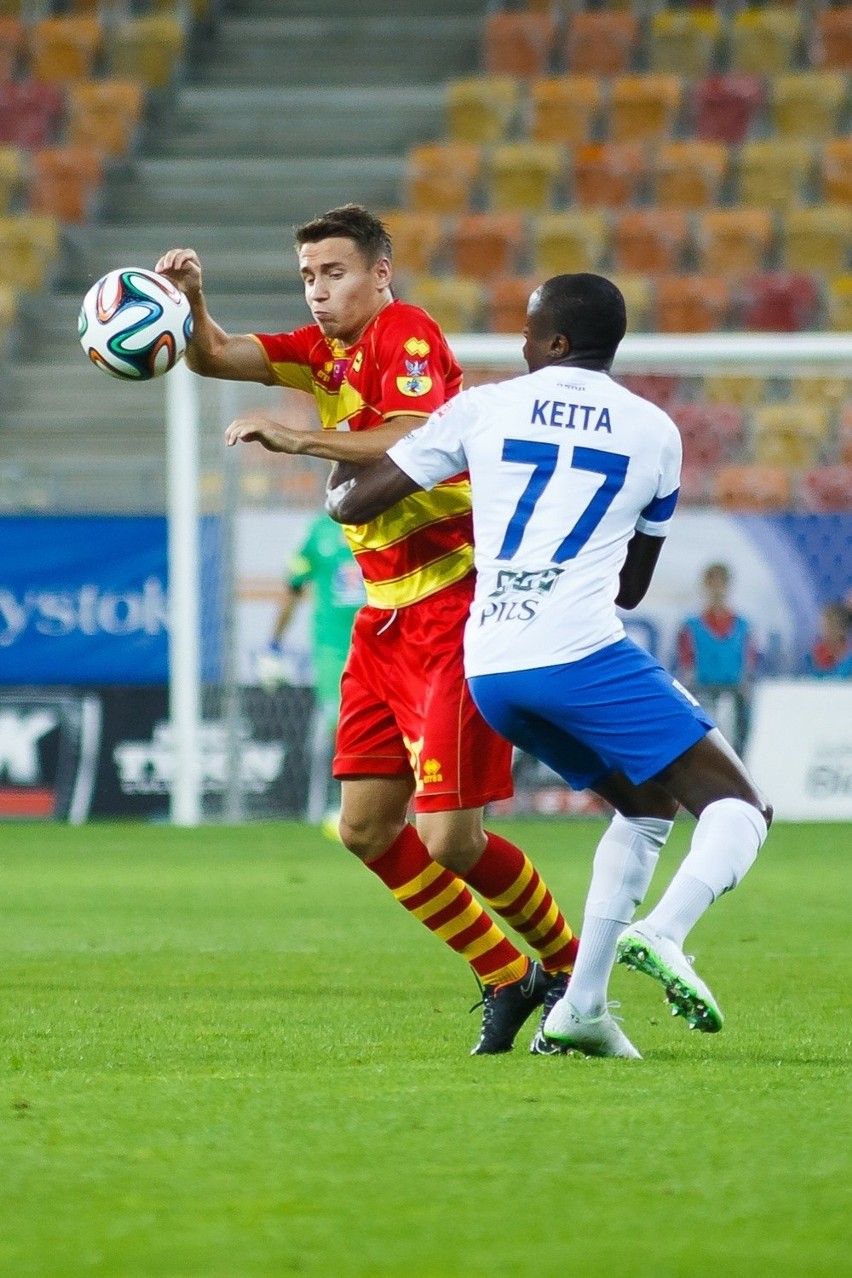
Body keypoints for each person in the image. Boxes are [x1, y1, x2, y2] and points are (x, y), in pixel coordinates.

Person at [156, 205, 579, 1056]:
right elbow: (213, 356)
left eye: (335, 272)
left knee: (451, 839)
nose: (318, 292)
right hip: (383, 618)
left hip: (455, 606)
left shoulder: (405, 333)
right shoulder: (320, 353)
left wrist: (301, 436)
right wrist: (192, 305)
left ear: (380, 273)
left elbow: (419, 433)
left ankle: (576, 970)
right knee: (364, 829)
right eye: (308, 276)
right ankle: (506, 973)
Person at [325, 272, 773, 1060]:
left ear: (555, 343)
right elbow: (632, 586)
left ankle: (581, 1009)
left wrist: (327, 447)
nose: (523, 348)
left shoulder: (485, 406)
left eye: (531, 335)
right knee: (742, 807)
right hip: (579, 650)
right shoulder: (656, 430)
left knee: (643, 807)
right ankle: (664, 933)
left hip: (489, 666)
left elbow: (355, 504)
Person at [262, 511, 365, 828]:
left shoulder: (387, 519)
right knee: (343, 724)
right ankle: (346, 807)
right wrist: (273, 646)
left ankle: (404, 807)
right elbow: (292, 588)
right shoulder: (317, 533)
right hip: (334, 650)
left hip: (389, 643)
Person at [675, 562, 756, 755]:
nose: (717, 590)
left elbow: (749, 666)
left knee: (735, 751)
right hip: (701, 695)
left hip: (733, 696)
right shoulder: (690, 626)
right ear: (705, 587)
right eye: (713, 584)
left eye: (722, 584)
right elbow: (685, 665)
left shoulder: (743, 626)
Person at [803, 599, 852, 678]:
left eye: (830, 626)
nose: (825, 631)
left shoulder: (849, 660)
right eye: (823, 626)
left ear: (842, 629)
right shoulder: (812, 657)